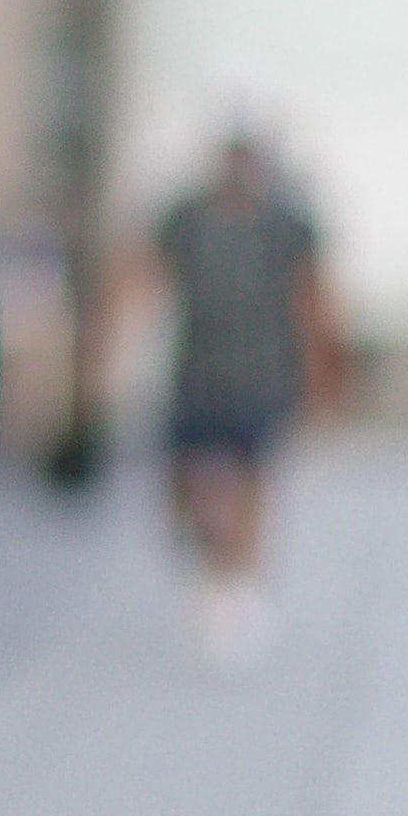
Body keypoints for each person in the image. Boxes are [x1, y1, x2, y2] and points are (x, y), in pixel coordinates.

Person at [114, 133, 341, 668]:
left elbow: (314, 296)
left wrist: (325, 371)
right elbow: (145, 277)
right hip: (196, 374)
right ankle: (212, 562)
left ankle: (240, 586)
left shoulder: (286, 223)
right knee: (185, 483)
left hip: (263, 374)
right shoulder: (187, 218)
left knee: (253, 478)